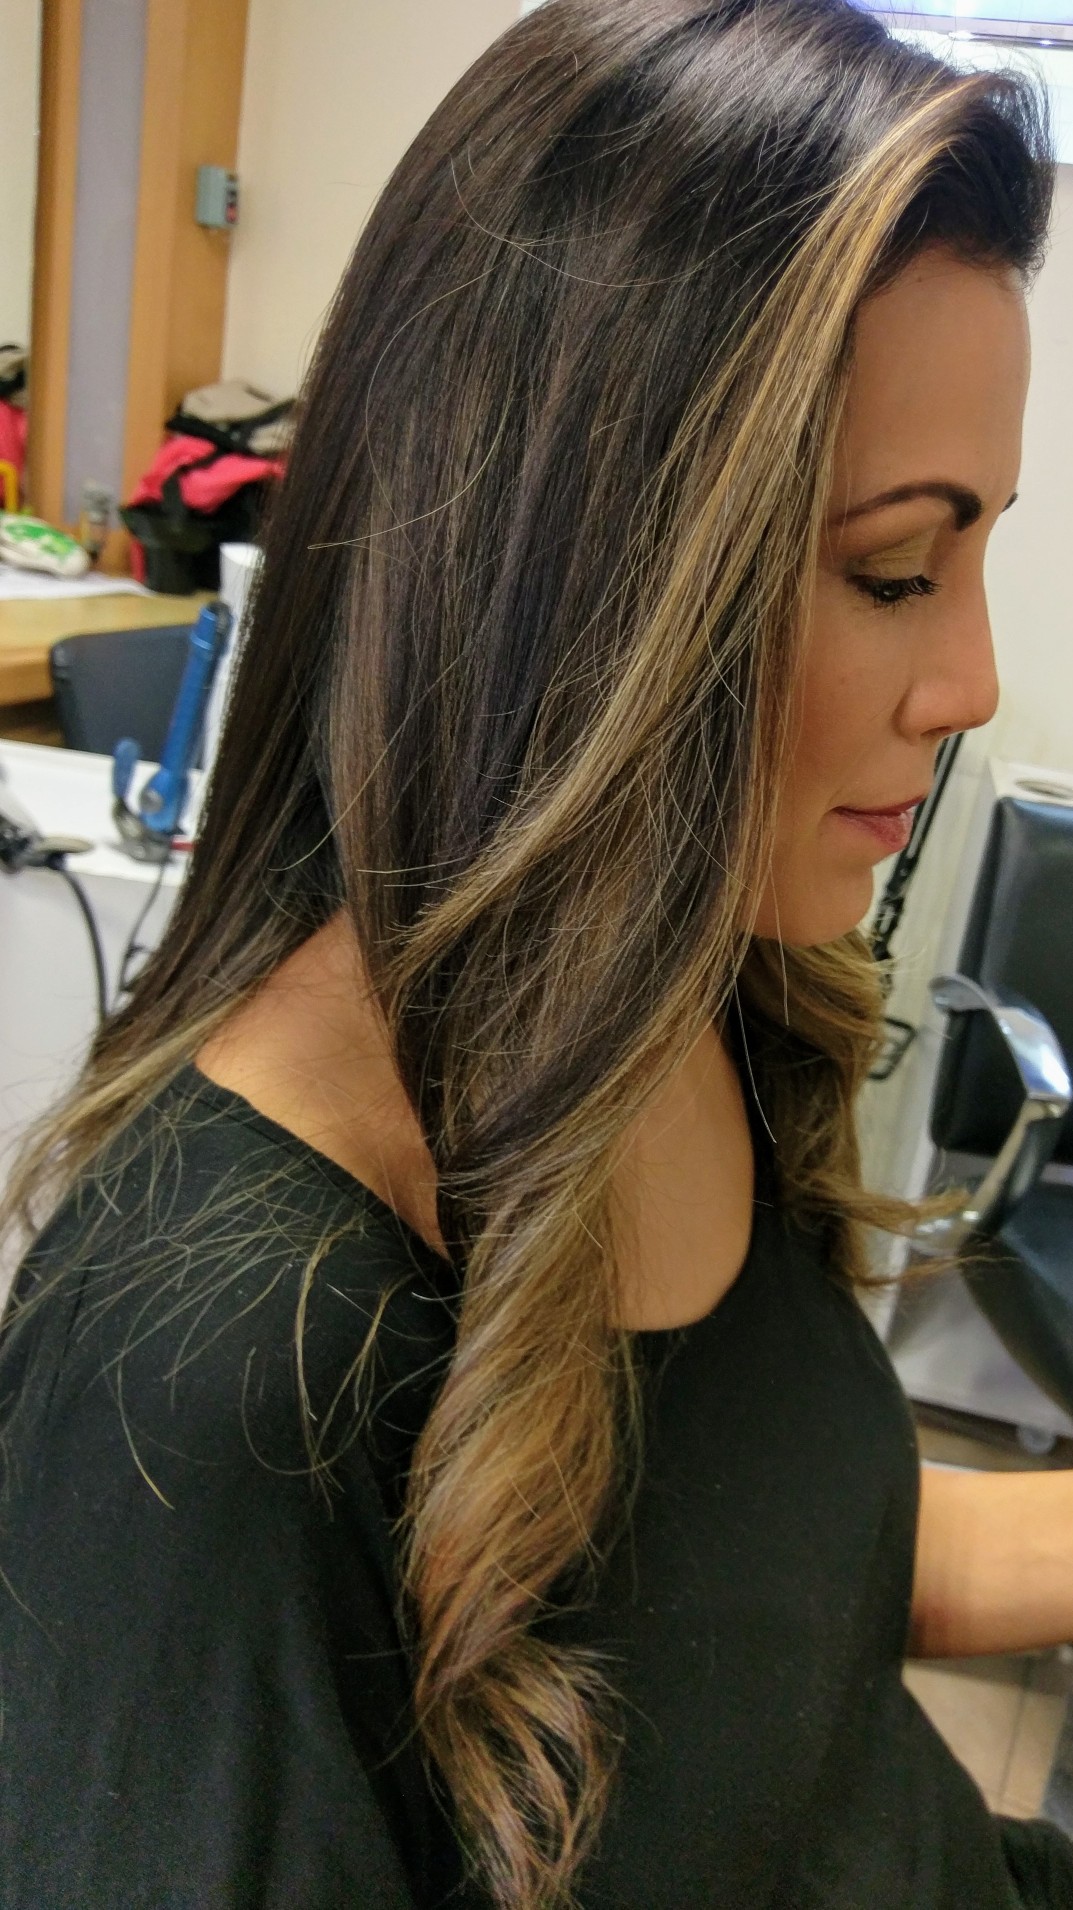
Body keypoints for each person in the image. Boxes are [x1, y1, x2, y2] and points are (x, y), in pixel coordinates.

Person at [2, 1, 1072, 1904]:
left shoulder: (687, 1003)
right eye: (894, 568)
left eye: (973, 548)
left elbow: (756, 1566)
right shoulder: (210, 1389)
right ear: (586, 570)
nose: (967, 679)